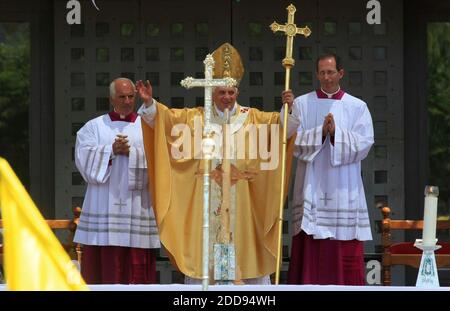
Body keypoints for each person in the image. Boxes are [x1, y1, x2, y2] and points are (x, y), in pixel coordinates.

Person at [137, 43, 295, 284]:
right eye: (221, 92)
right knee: (209, 270)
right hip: (207, 206)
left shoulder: (254, 119)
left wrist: (288, 109)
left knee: (242, 268)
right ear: (211, 92)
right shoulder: (194, 119)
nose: (227, 98)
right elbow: (164, 122)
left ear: (237, 93)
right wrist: (150, 105)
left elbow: (285, 130)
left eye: (231, 92)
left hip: (242, 208)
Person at [281, 53, 374, 285]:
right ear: (316, 74)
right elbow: (287, 138)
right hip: (311, 184)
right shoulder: (302, 103)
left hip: (344, 188)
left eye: (330, 72)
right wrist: (290, 111)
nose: (326, 77)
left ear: (340, 73)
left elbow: (365, 143)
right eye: (322, 72)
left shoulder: (357, 106)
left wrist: (336, 134)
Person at [73, 77, 160, 284]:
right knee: (104, 265)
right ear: (112, 98)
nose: (128, 101)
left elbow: (159, 155)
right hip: (104, 205)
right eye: (122, 97)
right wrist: (111, 151)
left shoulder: (146, 126)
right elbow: (83, 159)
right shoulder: (94, 127)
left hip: (136, 204)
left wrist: (133, 153)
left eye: (131, 96)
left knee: (135, 265)